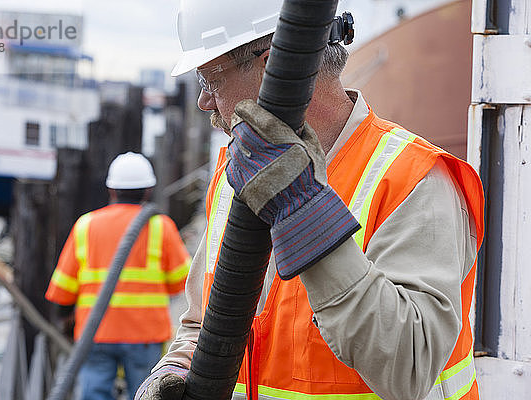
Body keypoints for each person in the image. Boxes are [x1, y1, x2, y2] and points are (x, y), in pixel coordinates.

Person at [136, 1, 484, 400]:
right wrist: (171, 371)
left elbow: (409, 367)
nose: (205, 102)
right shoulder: (235, 173)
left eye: (209, 78)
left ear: (272, 66)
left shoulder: (414, 179)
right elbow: (202, 323)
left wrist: (305, 214)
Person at [46, 152, 191, 400]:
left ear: (111, 189)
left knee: (93, 394)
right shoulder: (159, 225)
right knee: (146, 394)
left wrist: (65, 320)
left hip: (95, 333)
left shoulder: (86, 224)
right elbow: (182, 281)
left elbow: (63, 287)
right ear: (148, 190)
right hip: (144, 333)